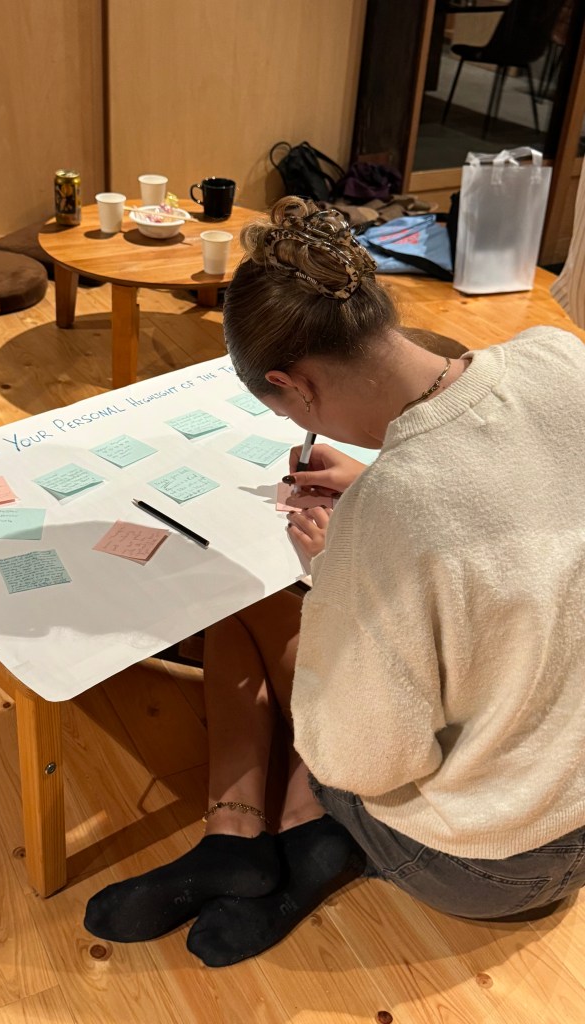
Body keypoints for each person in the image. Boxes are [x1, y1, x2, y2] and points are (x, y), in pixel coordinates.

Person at [85, 197, 585, 967]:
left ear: (295, 387)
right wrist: (382, 500)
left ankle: (262, 836)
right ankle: (264, 842)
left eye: (286, 414)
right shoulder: (560, 358)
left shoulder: (389, 517)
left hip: (485, 863)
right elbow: (515, 506)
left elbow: (368, 757)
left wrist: (335, 579)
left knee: (253, 612)